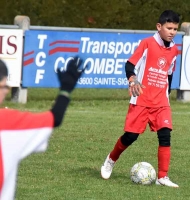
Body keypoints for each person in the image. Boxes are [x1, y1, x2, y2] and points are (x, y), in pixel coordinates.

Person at [100, 10, 180, 188]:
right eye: (169, 28)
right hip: (141, 100)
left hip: (161, 102)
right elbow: (130, 64)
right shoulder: (147, 43)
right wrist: (133, 80)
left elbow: (169, 74)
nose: (172, 32)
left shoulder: (174, 50)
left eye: (175, 29)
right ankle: (111, 159)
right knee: (130, 136)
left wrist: (167, 95)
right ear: (159, 27)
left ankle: (162, 177)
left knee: (165, 135)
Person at [0, 57, 84, 199]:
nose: (6, 91)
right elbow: (54, 118)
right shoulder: (7, 123)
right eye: (3, 86)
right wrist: (66, 90)